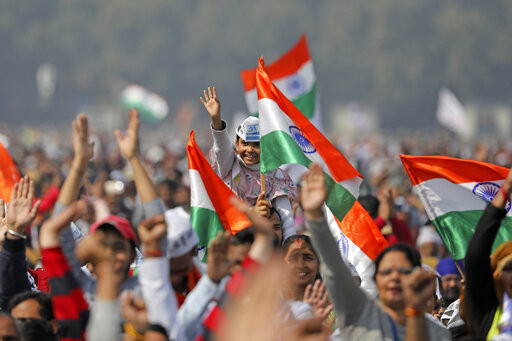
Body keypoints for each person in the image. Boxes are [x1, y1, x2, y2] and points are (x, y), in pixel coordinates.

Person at [302, 163, 450, 340]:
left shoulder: (437, 332)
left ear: (416, 275)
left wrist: (415, 311)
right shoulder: (358, 314)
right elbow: (334, 269)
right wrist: (315, 217)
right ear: (376, 278)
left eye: (403, 271)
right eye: (387, 272)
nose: (394, 277)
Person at [200, 86, 297, 242]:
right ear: (237, 144)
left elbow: (287, 222)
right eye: (245, 144)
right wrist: (216, 121)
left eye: (256, 145)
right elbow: (221, 148)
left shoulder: (276, 176)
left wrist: (289, 251)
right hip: (233, 241)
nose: (250, 150)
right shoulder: (230, 166)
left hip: (265, 245)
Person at [464, 166, 512, 339]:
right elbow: (475, 257)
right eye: (509, 268)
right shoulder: (487, 310)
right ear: (496, 275)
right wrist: (505, 191)